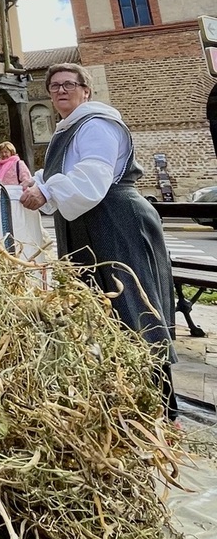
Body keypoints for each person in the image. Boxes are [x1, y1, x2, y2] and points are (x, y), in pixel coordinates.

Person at [19, 62, 177, 420]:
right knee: (98, 310)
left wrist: (46, 191)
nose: (61, 91)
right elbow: (64, 171)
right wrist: (40, 182)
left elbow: (92, 178)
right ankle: (119, 402)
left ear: (86, 90)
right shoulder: (70, 128)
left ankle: (162, 411)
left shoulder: (97, 124)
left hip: (115, 220)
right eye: (55, 86)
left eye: (69, 84)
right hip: (89, 223)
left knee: (134, 307)